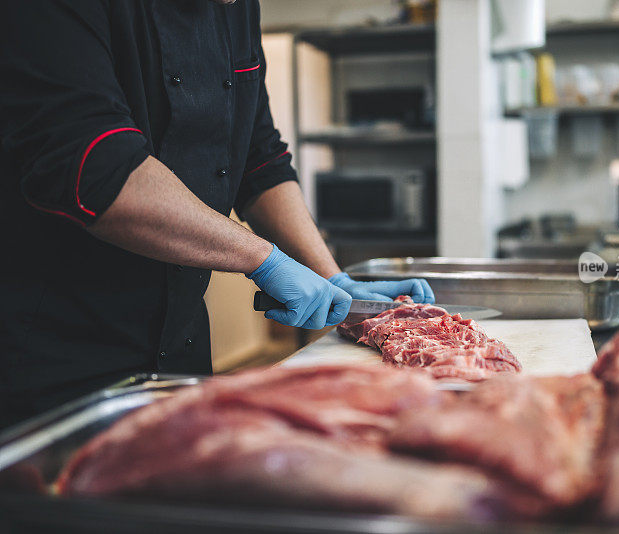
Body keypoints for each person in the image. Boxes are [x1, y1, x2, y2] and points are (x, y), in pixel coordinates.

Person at [0, 0, 434, 429]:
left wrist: (331, 277)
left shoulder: (235, 6)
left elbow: (259, 159)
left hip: (180, 345)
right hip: (49, 358)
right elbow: (96, 168)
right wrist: (264, 259)